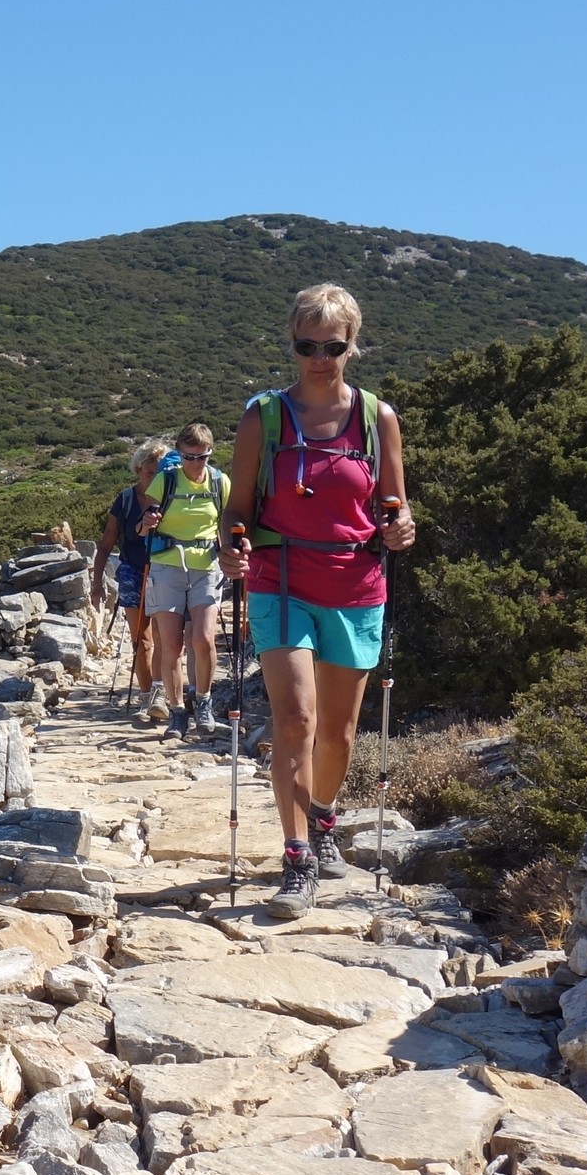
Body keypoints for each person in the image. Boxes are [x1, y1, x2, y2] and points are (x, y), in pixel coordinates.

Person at [217, 284, 416, 918]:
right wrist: (231, 546)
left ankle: (323, 818)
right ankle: (297, 854)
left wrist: (402, 526)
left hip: (355, 585)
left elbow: (395, 503)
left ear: (351, 344)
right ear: (292, 343)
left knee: (338, 734)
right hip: (280, 581)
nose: (319, 357)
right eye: (307, 345)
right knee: (295, 724)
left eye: (332, 345)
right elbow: (238, 511)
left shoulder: (376, 418)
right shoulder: (264, 418)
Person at [135, 421, 228, 738]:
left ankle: (203, 702)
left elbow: (229, 523)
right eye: (189, 457)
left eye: (201, 457)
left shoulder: (219, 483)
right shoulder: (166, 480)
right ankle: (177, 712)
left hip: (205, 566)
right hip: (167, 565)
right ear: (180, 454)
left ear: (209, 454)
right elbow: (142, 524)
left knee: (203, 639)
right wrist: (148, 521)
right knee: (171, 645)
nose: (195, 464)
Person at [89, 437, 170, 718]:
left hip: (165, 572)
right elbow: (106, 543)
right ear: (138, 470)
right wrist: (97, 583)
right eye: (150, 473)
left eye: (160, 473)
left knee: (163, 638)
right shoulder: (124, 500)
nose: (155, 478)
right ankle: (147, 696)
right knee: (141, 640)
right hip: (132, 572)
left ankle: (159, 695)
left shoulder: (172, 500)